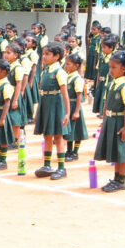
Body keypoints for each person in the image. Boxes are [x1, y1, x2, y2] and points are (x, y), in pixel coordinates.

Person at [95, 50, 125, 192]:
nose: (110, 70)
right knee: (116, 153)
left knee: (122, 152)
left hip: (120, 121)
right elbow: (107, 103)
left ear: (123, 69)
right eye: (110, 67)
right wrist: (105, 119)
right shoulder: (112, 84)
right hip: (111, 121)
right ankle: (116, 178)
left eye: (114, 67)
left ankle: (121, 180)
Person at [32, 43, 72, 180]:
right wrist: (37, 112)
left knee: (58, 137)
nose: (44, 57)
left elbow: (65, 94)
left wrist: (67, 113)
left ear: (57, 56)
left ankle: (61, 168)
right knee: (47, 136)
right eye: (43, 54)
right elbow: (42, 94)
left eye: (47, 54)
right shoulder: (46, 70)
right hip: (46, 104)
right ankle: (47, 165)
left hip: (56, 106)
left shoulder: (59, 72)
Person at [63, 53, 88, 161]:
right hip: (68, 105)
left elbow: (79, 95)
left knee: (77, 130)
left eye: (68, 64)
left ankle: (75, 152)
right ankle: (69, 150)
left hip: (74, 106)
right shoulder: (67, 76)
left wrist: (77, 111)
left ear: (76, 66)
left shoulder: (77, 79)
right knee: (69, 130)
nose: (66, 66)